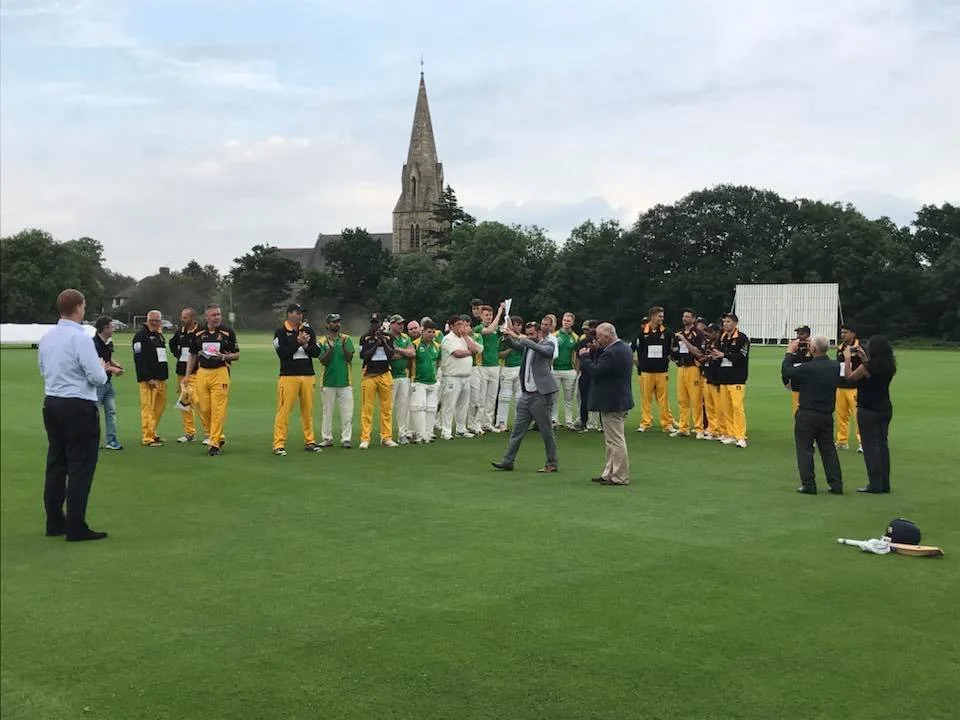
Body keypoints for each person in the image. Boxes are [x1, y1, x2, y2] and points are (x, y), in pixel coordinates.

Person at [38, 289, 112, 541]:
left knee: (56, 463)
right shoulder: (81, 338)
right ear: (79, 307)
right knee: (80, 466)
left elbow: (43, 369)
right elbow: (97, 377)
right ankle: (76, 526)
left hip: (52, 402)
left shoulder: (47, 338)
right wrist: (102, 368)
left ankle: (55, 521)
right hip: (78, 404)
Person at [491, 317, 560, 473]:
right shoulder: (529, 346)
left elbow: (545, 352)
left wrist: (521, 337)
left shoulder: (547, 344)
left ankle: (552, 463)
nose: (529, 337)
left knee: (546, 431)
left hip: (541, 395)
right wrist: (506, 337)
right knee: (517, 431)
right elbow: (516, 346)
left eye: (531, 334)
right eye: (527, 334)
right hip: (526, 395)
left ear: (539, 333)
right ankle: (508, 461)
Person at [781, 335, 843, 495]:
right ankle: (836, 483)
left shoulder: (808, 368)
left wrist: (789, 352)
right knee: (828, 449)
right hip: (826, 414)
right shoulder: (834, 366)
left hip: (808, 413)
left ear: (813, 349)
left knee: (805, 450)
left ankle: (809, 484)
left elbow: (787, 371)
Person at [579, 322, 634, 486]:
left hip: (612, 401)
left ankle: (620, 475)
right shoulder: (623, 348)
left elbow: (596, 371)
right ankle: (610, 472)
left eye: (599, 337)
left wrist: (585, 357)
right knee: (612, 440)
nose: (597, 340)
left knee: (615, 440)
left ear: (607, 336)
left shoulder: (611, 353)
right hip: (620, 399)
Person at [181, 303, 240, 456]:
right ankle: (218, 436)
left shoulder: (228, 332)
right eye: (214, 315)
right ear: (206, 316)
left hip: (220, 372)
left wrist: (225, 356)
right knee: (204, 408)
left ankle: (214, 443)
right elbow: (192, 355)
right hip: (202, 373)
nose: (217, 317)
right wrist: (187, 376)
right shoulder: (199, 333)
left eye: (219, 314)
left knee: (218, 409)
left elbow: (237, 355)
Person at [844, 336, 896, 494]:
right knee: (882, 445)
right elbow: (874, 376)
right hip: (884, 407)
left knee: (870, 446)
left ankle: (874, 483)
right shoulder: (888, 366)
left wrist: (847, 359)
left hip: (868, 408)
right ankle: (884, 482)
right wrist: (865, 359)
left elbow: (849, 378)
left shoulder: (867, 368)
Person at [271, 303, 323, 456]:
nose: (300, 316)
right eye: (297, 313)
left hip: (307, 375)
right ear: (289, 314)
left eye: (301, 313)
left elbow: (316, 352)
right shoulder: (280, 332)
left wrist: (306, 344)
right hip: (288, 376)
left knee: (308, 410)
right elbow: (283, 353)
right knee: (284, 410)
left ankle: (310, 441)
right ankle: (278, 444)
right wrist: (297, 343)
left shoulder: (308, 330)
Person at [632, 306, 677, 433]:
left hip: (662, 371)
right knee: (646, 399)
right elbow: (631, 349)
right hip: (646, 371)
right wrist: (635, 361)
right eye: (659, 316)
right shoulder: (642, 333)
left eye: (662, 316)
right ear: (652, 316)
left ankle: (666, 424)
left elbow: (671, 350)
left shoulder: (667, 333)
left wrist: (669, 358)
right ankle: (645, 422)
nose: (661, 319)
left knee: (663, 399)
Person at [357, 314, 397, 449]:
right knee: (367, 408)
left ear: (381, 324)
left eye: (377, 323)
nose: (375, 326)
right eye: (373, 323)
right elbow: (364, 356)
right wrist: (375, 344)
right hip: (369, 375)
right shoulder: (365, 338)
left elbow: (391, 355)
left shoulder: (389, 337)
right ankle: (365, 438)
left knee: (386, 408)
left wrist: (383, 342)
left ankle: (386, 437)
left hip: (385, 374)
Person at [439, 314, 481, 439]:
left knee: (463, 405)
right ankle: (446, 430)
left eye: (462, 324)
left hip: (466, 376)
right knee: (449, 404)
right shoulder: (447, 339)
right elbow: (457, 353)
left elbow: (476, 349)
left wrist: (465, 336)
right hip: (452, 376)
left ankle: (461, 429)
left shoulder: (464, 338)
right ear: (451, 326)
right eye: (458, 325)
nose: (461, 327)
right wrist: (470, 352)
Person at [132, 310, 169, 447]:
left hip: (161, 379)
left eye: (157, 320)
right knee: (148, 408)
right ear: (147, 320)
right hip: (149, 380)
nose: (155, 323)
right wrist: (147, 377)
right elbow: (139, 359)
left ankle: (152, 432)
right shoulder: (140, 336)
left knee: (158, 408)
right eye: (152, 320)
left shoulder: (159, 336)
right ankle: (147, 437)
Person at [711, 312, 749, 447]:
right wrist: (716, 356)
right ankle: (731, 434)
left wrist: (723, 355)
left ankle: (741, 436)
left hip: (736, 378)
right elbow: (719, 354)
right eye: (724, 322)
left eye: (728, 321)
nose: (726, 324)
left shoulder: (741, 338)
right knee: (725, 408)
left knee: (737, 407)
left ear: (735, 323)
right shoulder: (722, 337)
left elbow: (741, 356)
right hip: (724, 377)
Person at [318, 313, 355, 449]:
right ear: (327, 325)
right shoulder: (322, 341)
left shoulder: (346, 339)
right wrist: (331, 349)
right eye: (334, 322)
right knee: (327, 412)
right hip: (328, 381)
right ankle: (327, 438)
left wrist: (343, 346)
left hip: (345, 382)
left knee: (347, 412)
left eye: (338, 322)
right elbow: (323, 360)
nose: (337, 324)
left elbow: (349, 358)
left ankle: (346, 438)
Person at [169, 307, 206, 444]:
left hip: (197, 373)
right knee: (184, 402)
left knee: (198, 401)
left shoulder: (201, 332)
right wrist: (177, 355)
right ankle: (189, 432)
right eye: (182, 317)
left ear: (192, 318)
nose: (182, 320)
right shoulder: (180, 332)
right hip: (181, 372)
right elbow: (172, 344)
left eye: (185, 317)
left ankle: (208, 433)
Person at [671, 309, 706, 438]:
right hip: (682, 368)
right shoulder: (678, 334)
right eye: (683, 316)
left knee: (696, 399)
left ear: (693, 318)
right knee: (682, 399)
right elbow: (674, 351)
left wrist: (685, 340)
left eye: (687, 317)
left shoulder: (698, 334)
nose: (684, 319)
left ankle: (699, 428)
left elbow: (699, 352)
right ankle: (683, 427)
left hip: (693, 369)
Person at [93, 316, 124, 450]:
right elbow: (97, 364)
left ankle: (111, 440)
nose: (114, 329)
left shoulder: (109, 342)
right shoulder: (94, 343)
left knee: (111, 412)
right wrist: (113, 369)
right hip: (98, 384)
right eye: (112, 326)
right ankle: (92, 441)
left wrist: (114, 363)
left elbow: (107, 359)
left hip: (108, 382)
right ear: (105, 328)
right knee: (94, 414)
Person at [410, 320, 442, 443]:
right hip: (418, 380)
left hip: (432, 381)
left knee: (431, 408)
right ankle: (419, 434)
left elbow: (438, 361)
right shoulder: (415, 344)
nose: (432, 334)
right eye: (429, 332)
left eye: (433, 332)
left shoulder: (437, 346)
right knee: (419, 408)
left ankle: (428, 433)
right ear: (422, 331)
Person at [476, 303, 506, 433]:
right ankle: (478, 423)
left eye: (490, 315)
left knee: (492, 397)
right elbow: (488, 331)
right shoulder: (478, 328)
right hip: (483, 366)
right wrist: (499, 313)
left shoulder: (496, 328)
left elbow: (506, 329)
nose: (489, 317)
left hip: (495, 365)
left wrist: (506, 313)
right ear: (481, 316)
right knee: (481, 397)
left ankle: (487, 423)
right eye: (486, 315)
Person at [387, 314, 416, 444]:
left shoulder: (405, 337)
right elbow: (390, 355)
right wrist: (403, 352)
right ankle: (386, 434)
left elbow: (412, 353)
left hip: (404, 376)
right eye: (398, 324)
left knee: (403, 406)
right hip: (389, 376)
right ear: (392, 324)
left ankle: (402, 433)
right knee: (388, 407)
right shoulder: (387, 337)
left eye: (402, 323)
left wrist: (398, 350)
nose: (401, 326)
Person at [494, 315, 524, 432]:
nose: (519, 327)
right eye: (517, 325)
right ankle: (501, 422)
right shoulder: (504, 338)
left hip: (520, 368)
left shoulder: (522, 338)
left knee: (519, 397)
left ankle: (519, 423)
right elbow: (500, 354)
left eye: (520, 325)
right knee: (504, 397)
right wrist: (511, 347)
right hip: (507, 369)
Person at [836, 325, 863, 452]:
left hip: (855, 387)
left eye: (845, 332)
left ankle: (863, 442)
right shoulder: (841, 348)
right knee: (841, 415)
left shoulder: (859, 348)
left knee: (858, 416)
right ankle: (842, 441)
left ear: (853, 334)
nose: (843, 335)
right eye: (841, 332)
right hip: (841, 386)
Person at [551, 312, 580, 431]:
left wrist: (576, 369)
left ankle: (568, 421)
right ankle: (554, 419)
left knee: (569, 398)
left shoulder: (575, 337)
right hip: (556, 369)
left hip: (569, 370)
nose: (566, 322)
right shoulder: (554, 335)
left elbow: (577, 355)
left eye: (568, 320)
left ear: (572, 322)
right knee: (554, 397)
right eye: (564, 320)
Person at [575, 319, 602, 432]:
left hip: (600, 373)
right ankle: (584, 422)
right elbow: (579, 355)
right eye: (591, 328)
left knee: (601, 399)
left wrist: (598, 348)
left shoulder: (603, 343)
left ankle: (602, 424)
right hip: (586, 373)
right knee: (584, 399)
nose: (592, 330)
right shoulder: (583, 342)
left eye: (594, 327)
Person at [783, 326, 813, 415]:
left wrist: (811, 346)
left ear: (808, 335)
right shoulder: (794, 348)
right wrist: (785, 380)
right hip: (796, 386)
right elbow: (787, 365)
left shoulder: (813, 347)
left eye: (801, 334)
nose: (798, 336)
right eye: (797, 333)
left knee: (809, 411)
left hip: (809, 386)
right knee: (796, 412)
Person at [700, 322, 722, 439]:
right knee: (709, 406)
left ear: (717, 333)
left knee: (718, 406)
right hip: (707, 376)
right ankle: (712, 428)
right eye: (707, 332)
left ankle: (718, 429)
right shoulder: (708, 344)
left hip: (716, 378)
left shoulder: (720, 345)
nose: (708, 334)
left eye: (711, 332)